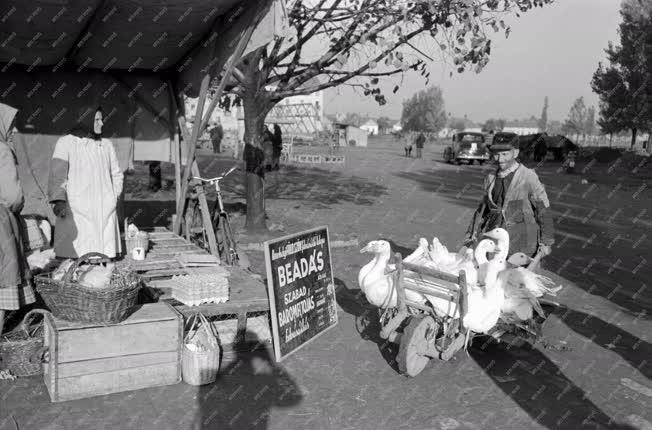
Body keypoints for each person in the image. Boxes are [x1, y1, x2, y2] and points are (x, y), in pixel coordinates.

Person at [48, 106, 124, 259]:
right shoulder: (66, 143)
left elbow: (116, 174)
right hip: (76, 208)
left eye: (102, 119)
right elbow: (57, 174)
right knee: (77, 252)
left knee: (102, 252)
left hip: (104, 207)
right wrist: (59, 201)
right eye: (97, 120)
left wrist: (113, 197)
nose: (101, 123)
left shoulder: (106, 145)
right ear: (84, 120)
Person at [465, 137, 554, 258]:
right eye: (496, 155)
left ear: (516, 153)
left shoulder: (529, 177)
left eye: (505, 154)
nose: (500, 159)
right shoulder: (490, 178)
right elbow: (483, 210)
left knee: (518, 276)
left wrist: (546, 242)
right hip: (495, 242)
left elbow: (543, 209)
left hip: (523, 245)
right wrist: (472, 234)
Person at [0, 103, 35, 334]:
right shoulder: (1, 149)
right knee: (3, 278)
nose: (15, 131)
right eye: (11, 126)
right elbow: (12, 196)